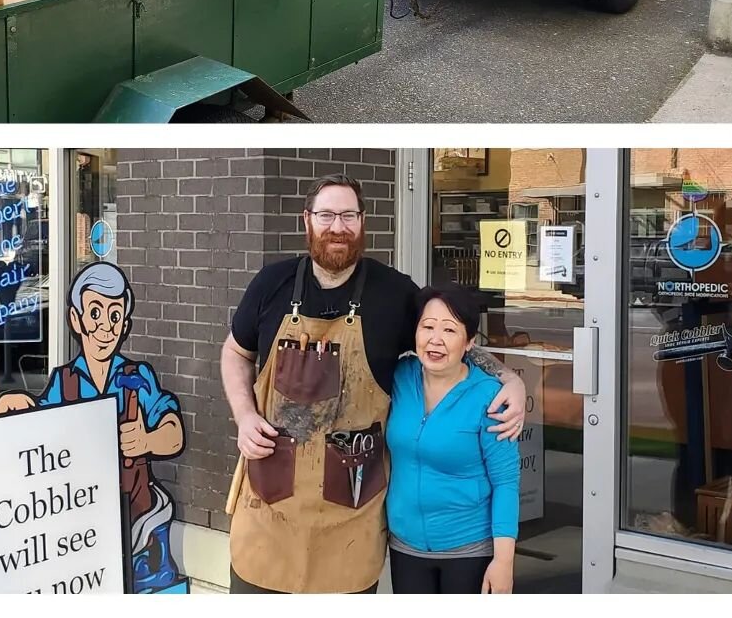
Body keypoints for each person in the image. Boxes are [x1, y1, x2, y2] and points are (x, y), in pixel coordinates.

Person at [219, 175, 526, 594]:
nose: (337, 227)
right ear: (306, 221)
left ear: (363, 223)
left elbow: (446, 337)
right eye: (326, 215)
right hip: (269, 507)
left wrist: (508, 378)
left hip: (350, 516)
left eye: (349, 215)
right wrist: (244, 416)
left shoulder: (395, 293)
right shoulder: (270, 284)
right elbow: (236, 352)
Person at [0, 262, 188, 593]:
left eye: (114, 316)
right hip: (80, 533)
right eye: (95, 313)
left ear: (124, 323)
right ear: (76, 319)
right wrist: (15, 411)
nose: (105, 328)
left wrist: (148, 439)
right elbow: (41, 430)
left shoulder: (138, 378)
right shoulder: (63, 382)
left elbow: (173, 430)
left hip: (137, 526)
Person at [386, 283, 519, 594]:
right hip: (405, 545)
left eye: (449, 330)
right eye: (427, 326)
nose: (436, 340)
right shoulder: (399, 377)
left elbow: (506, 483)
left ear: (469, 341)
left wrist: (504, 562)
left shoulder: (490, 398)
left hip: (469, 549)